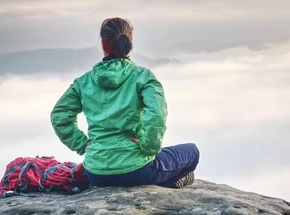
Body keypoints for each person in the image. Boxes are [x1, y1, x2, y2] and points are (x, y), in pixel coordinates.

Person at [50, 17, 199, 188]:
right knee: (192, 152)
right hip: (137, 170)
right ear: (130, 43)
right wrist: (148, 147)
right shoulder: (143, 77)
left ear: (103, 44)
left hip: (96, 173)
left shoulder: (83, 82)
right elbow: (157, 115)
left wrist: (83, 144)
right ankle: (167, 182)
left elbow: (59, 115)